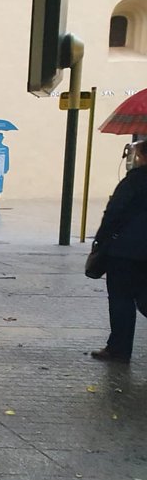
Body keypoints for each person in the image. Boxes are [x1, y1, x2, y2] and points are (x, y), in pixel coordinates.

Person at [91, 139, 147, 362]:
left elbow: (114, 213)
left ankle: (119, 348)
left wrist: (101, 240)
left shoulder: (134, 181)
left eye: (139, 155)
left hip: (126, 250)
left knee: (121, 298)